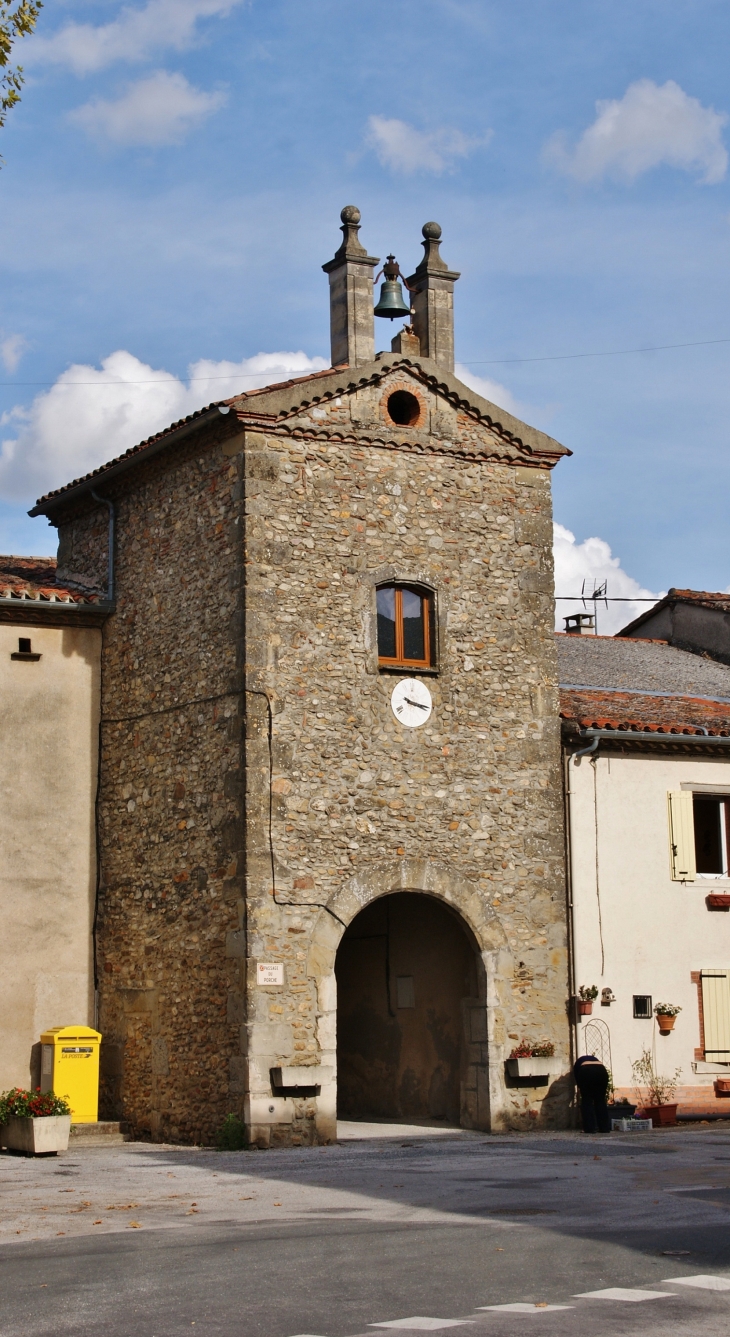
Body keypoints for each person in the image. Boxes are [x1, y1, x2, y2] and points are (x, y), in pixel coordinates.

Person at [573, 1054, 612, 1133]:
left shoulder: (577, 1065)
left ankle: (589, 1128)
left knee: (587, 1100)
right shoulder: (595, 1060)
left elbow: (577, 1079)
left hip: (586, 1072)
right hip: (601, 1071)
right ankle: (604, 1127)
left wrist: (581, 1088)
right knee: (600, 1100)